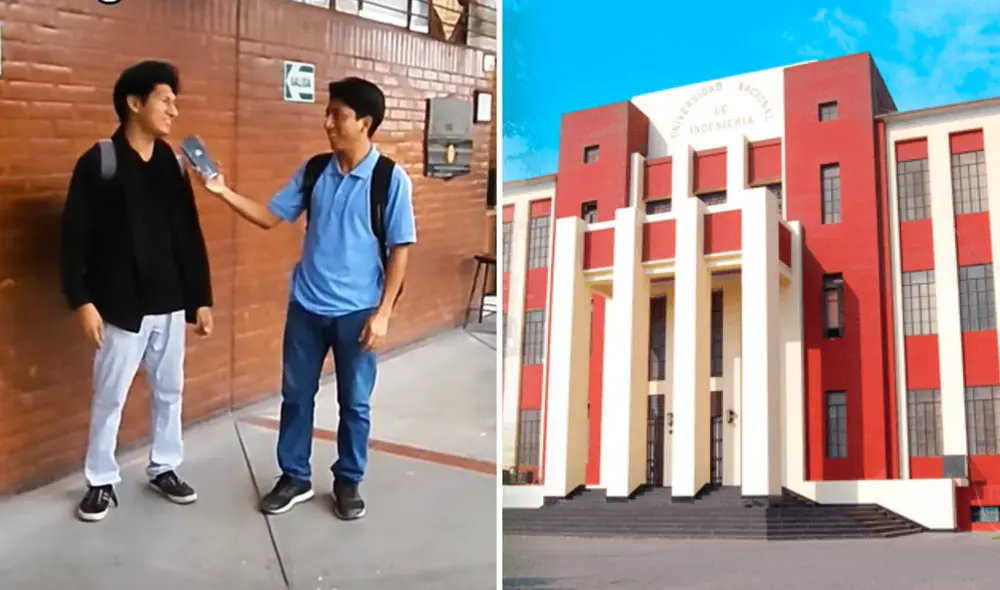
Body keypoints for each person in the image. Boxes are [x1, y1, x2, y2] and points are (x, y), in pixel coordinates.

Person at [195, 77, 416, 521]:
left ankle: (348, 480)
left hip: (358, 314)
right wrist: (221, 191)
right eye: (328, 112)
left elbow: (401, 250)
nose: (327, 121)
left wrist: (384, 313)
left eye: (338, 114)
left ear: (365, 123)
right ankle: (294, 476)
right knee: (296, 396)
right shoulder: (315, 170)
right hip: (307, 308)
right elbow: (268, 217)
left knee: (354, 402)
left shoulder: (390, 179)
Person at [60, 60, 214, 522]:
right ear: (134, 103)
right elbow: (73, 237)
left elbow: (188, 232)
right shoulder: (100, 161)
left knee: (170, 390)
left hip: (169, 303)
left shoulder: (171, 162)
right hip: (121, 306)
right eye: (165, 100)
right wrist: (82, 300)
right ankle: (100, 480)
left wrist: (199, 298)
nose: (173, 109)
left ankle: (164, 465)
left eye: (174, 101)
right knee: (111, 395)